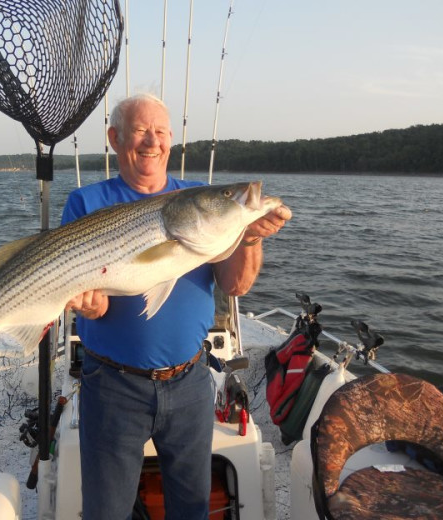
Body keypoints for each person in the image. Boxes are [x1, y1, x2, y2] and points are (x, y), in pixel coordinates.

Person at [61, 93, 291, 520]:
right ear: (115, 138)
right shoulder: (85, 202)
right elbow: (82, 298)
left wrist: (250, 234)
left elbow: (235, 284)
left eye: (162, 132)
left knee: (192, 508)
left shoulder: (197, 203)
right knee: (106, 511)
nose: (153, 141)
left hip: (189, 383)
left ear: (172, 141)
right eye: (141, 130)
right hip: (112, 386)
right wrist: (86, 306)